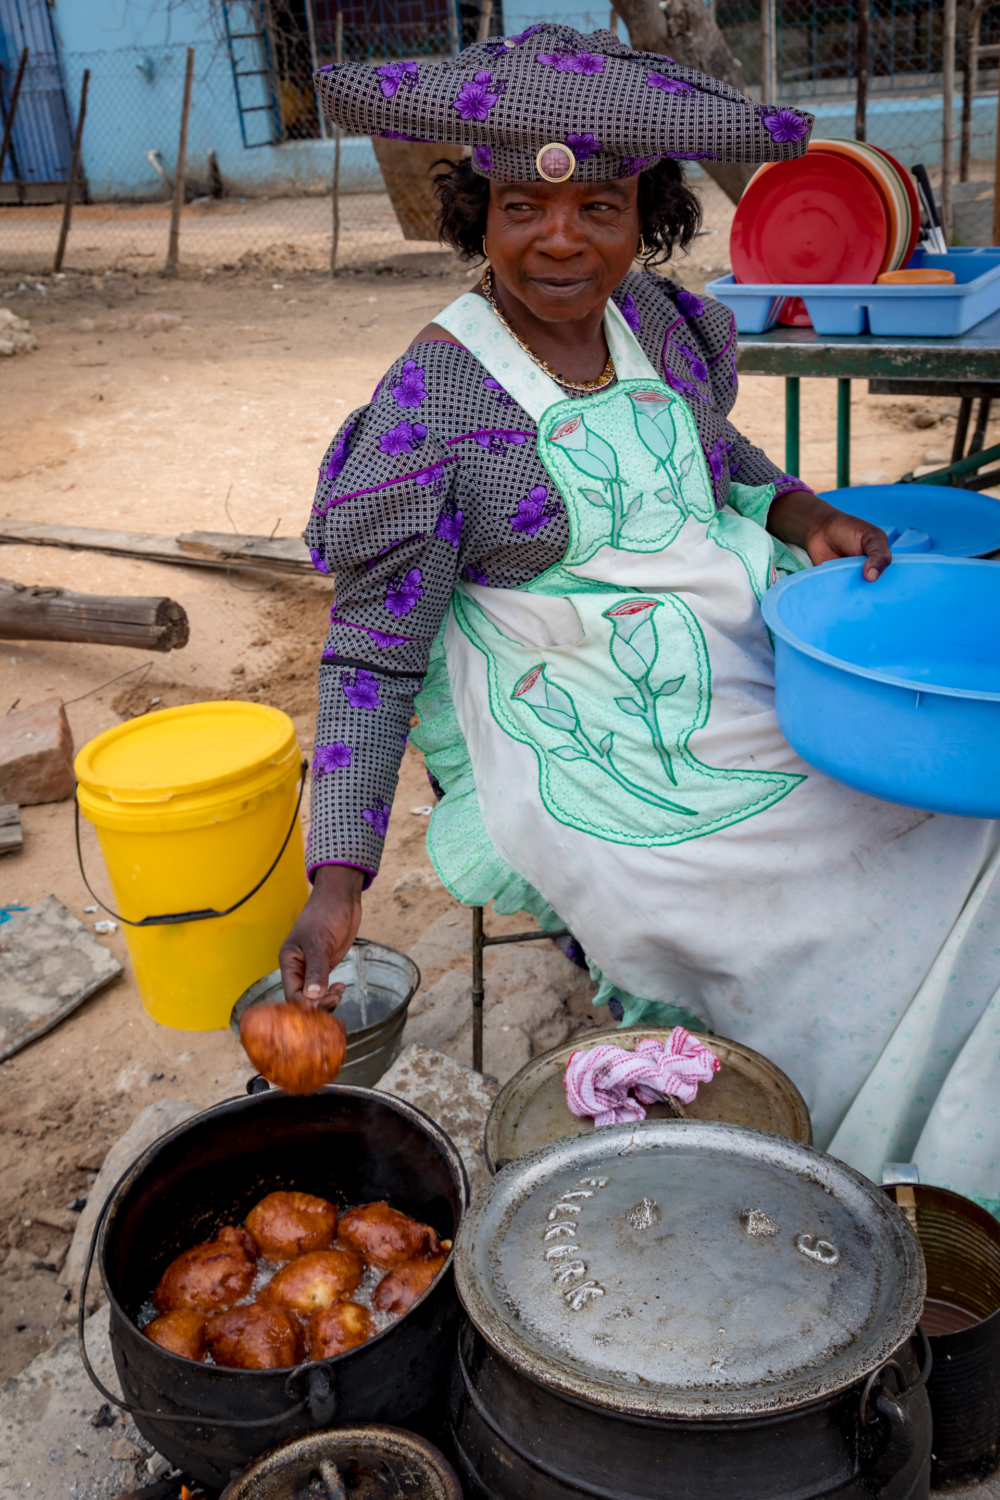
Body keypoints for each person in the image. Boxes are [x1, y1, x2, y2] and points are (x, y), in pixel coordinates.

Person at [279, 25, 1000, 1213]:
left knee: (941, 822)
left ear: (643, 214)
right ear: (479, 215)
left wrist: (801, 514)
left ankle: (952, 1143)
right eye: (522, 208)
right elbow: (369, 652)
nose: (560, 240)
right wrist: (338, 874)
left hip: (727, 666)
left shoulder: (660, 325)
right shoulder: (429, 405)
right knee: (779, 901)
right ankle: (843, 1151)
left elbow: (717, 457)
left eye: (600, 209)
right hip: (579, 724)